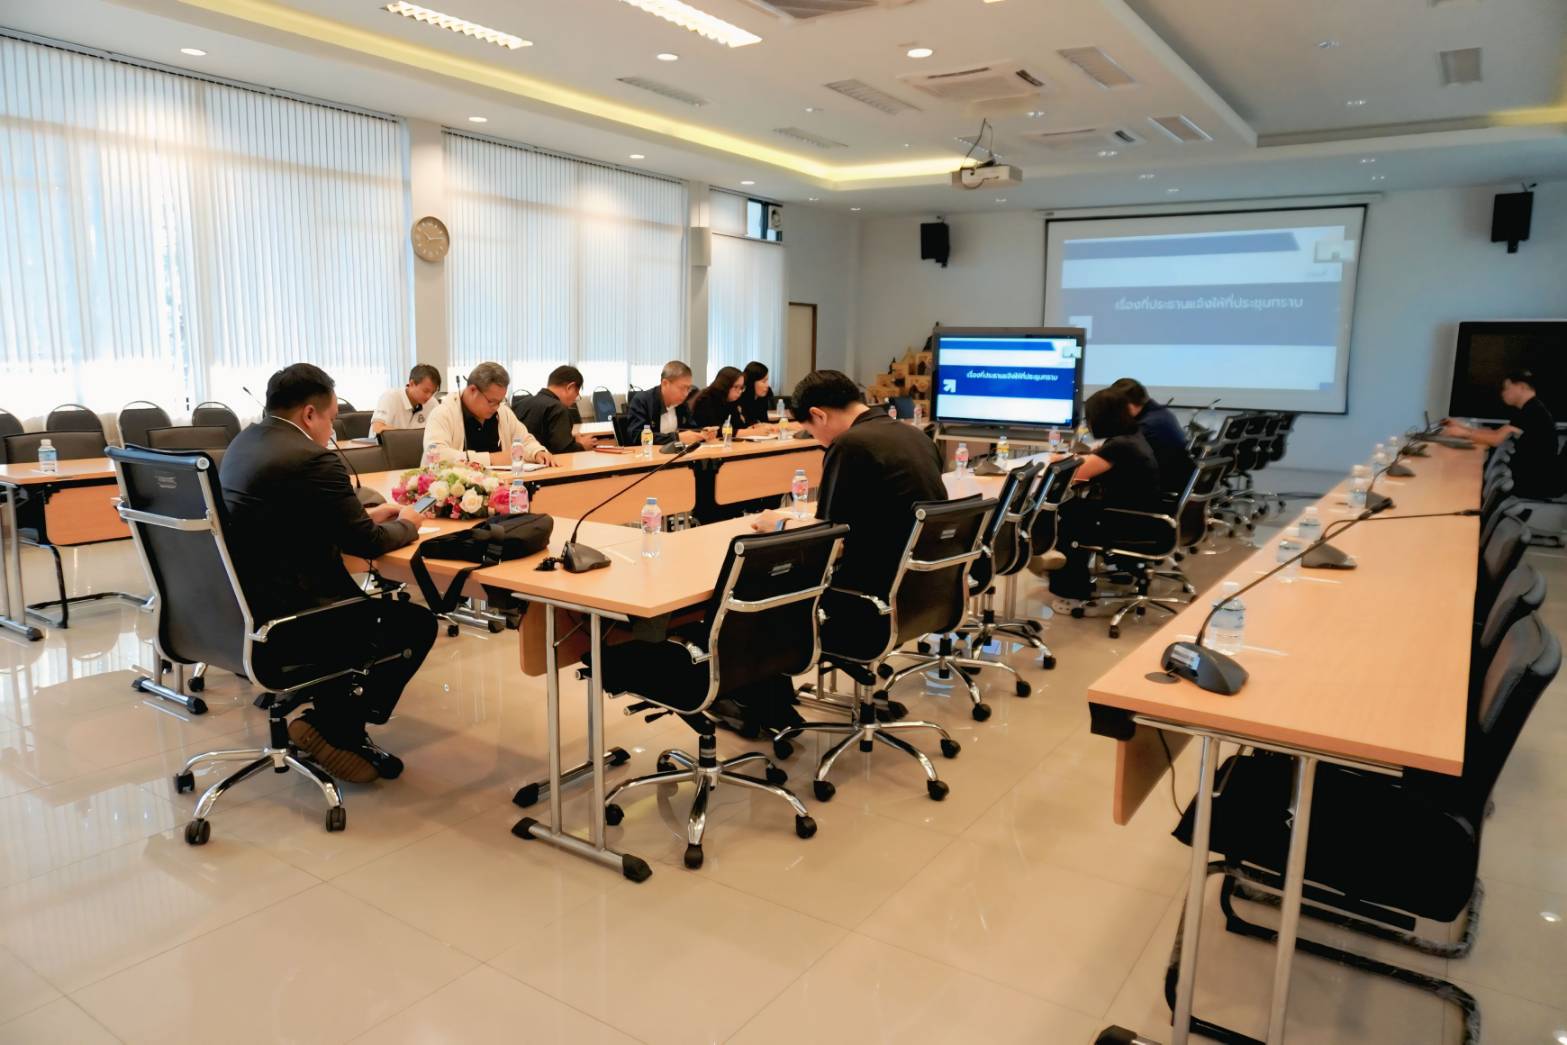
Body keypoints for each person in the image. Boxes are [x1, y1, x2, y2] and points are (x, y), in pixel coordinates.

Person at [220, 363, 436, 784]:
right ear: (309, 414)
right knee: (415, 624)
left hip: (242, 609)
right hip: (296, 618)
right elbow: (369, 544)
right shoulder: (312, 458)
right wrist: (409, 523)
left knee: (365, 615)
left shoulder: (244, 443)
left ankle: (332, 720)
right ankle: (339, 726)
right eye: (332, 419)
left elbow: (290, 515)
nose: (333, 430)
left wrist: (364, 515)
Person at [752, 369, 945, 598]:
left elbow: (830, 542)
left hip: (871, 589)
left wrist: (779, 524)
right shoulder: (917, 436)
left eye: (812, 432)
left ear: (818, 415)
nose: (820, 443)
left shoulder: (849, 444)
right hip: (927, 584)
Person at [1041, 386, 1161, 612]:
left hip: (1128, 522)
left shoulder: (1119, 445)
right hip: (1143, 516)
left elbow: (1076, 474)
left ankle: (1070, 592)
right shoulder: (1131, 438)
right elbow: (1094, 461)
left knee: (1067, 515)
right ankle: (1051, 565)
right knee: (1075, 508)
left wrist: (1060, 460)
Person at [1445, 370, 1563, 499]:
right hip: (1531, 474)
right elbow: (1498, 433)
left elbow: (1497, 439)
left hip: (1533, 480)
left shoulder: (1532, 412)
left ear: (1522, 387)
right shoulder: (1531, 408)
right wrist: (1461, 427)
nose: (1503, 393)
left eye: (1507, 388)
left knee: (1466, 476)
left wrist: (1464, 434)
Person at [424, 362, 556, 467]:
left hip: (502, 484)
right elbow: (435, 455)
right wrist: (490, 459)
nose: (496, 407)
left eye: (500, 401)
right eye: (491, 401)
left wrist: (537, 452)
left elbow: (524, 441)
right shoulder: (443, 413)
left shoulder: (502, 412)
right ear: (472, 390)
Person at [1111, 377, 1195, 496]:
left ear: (1128, 405)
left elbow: (1116, 455)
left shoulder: (1147, 424)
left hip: (1159, 490)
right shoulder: (1161, 414)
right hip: (1176, 483)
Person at [513, 364, 602, 455]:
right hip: (546, 462)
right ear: (570, 387)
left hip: (517, 460)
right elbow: (564, 451)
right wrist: (582, 445)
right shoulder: (558, 409)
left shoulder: (520, 404)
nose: (574, 400)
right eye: (577, 394)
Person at [626, 361, 707, 446]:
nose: (686, 394)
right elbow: (636, 436)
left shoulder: (682, 404)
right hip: (649, 453)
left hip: (678, 452)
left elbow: (690, 429)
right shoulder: (642, 401)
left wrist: (702, 433)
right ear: (665, 384)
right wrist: (676, 438)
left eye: (688, 389)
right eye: (682, 388)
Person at [369, 364, 441, 436]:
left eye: (433, 392)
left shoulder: (432, 403)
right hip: (384, 443)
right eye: (425, 391)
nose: (429, 396)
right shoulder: (390, 397)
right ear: (411, 383)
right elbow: (378, 428)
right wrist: (409, 436)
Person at [735, 361, 773, 429]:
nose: (767, 385)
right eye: (764, 381)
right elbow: (743, 425)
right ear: (752, 382)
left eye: (767, 380)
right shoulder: (739, 397)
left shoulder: (765, 395)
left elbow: (764, 420)